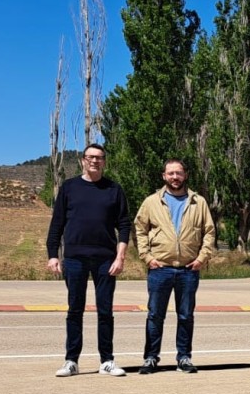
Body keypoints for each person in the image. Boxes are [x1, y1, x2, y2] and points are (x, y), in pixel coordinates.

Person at [46, 143, 131, 378]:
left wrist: (120, 256)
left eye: (99, 157)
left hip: (106, 260)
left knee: (105, 311)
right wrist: (53, 254)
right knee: (75, 310)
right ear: (83, 160)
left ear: (105, 161)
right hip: (74, 258)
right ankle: (71, 361)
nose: (95, 161)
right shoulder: (69, 187)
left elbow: (124, 225)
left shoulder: (114, 189)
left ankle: (107, 361)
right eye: (91, 157)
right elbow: (57, 224)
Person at [133, 158, 216, 374]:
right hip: (160, 268)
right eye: (170, 173)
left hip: (189, 269)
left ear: (185, 175)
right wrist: (147, 257)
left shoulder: (199, 202)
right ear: (164, 176)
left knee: (186, 315)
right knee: (155, 315)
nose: (175, 177)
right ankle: (151, 358)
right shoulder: (152, 202)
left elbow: (209, 232)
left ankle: (184, 357)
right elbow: (139, 229)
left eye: (178, 173)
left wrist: (202, 258)